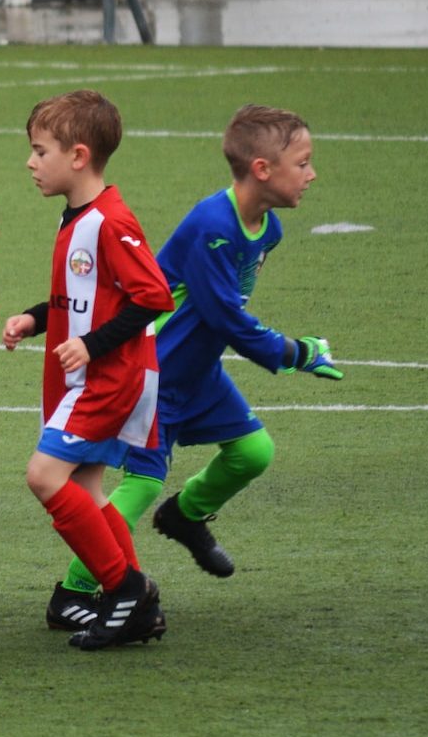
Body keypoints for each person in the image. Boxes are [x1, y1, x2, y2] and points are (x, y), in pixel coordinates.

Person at [47, 105, 342, 628]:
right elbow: (225, 316)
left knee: (254, 451)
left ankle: (185, 515)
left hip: (200, 374)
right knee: (135, 488)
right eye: (304, 162)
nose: (313, 174)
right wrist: (295, 352)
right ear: (262, 170)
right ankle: (75, 588)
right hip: (155, 377)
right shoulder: (213, 226)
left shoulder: (267, 230)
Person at [0, 90, 174, 651]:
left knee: (44, 477)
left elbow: (152, 296)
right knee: (88, 491)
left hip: (108, 377)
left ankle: (124, 590)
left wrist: (91, 345)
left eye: (39, 150)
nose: (30, 162)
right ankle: (134, 604)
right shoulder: (78, 216)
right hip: (91, 374)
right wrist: (34, 317)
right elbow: (83, 294)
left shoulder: (110, 221)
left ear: (77, 156)